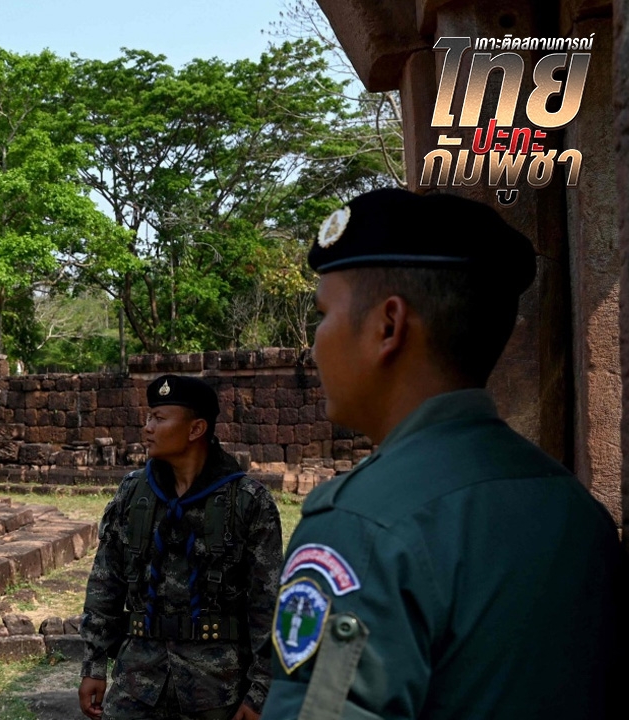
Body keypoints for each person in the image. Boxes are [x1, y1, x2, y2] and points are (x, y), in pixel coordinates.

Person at [262, 188, 627, 718]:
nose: (314, 344)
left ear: (389, 326)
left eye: (322, 315)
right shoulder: (573, 508)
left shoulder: (362, 526)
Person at [80, 374, 283, 720]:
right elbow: (105, 582)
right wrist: (94, 664)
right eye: (148, 417)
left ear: (195, 429)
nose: (146, 428)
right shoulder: (133, 494)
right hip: (136, 683)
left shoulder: (248, 503)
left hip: (217, 688)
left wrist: (260, 692)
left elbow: (269, 606)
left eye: (159, 419)